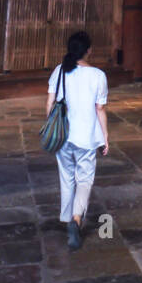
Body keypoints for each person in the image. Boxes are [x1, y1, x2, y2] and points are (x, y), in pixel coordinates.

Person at [46, 31, 108, 251]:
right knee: (84, 180)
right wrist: (105, 137)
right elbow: (99, 109)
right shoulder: (98, 75)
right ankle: (76, 218)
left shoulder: (59, 71)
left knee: (66, 177)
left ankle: (66, 218)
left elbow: (51, 103)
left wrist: (51, 129)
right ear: (88, 50)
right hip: (87, 137)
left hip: (63, 136)